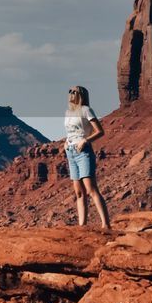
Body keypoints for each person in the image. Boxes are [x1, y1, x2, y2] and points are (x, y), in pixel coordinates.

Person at [64, 85, 110, 230]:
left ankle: (106, 224)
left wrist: (85, 140)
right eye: (69, 91)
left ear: (81, 95)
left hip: (83, 151)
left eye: (74, 92)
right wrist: (66, 141)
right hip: (70, 152)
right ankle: (82, 225)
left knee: (91, 189)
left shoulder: (86, 110)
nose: (71, 93)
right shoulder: (68, 112)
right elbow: (71, 132)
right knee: (78, 192)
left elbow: (100, 131)